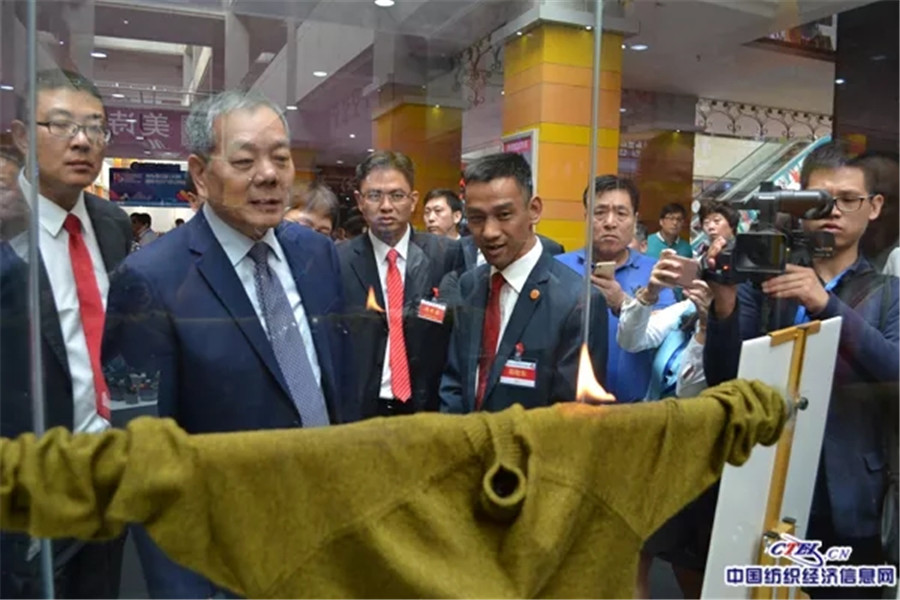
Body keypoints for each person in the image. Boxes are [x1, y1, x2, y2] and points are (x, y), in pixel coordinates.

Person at [103, 90, 352, 598]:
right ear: (200, 174)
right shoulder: (148, 280)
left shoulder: (318, 255)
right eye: (244, 161)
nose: (269, 175)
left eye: (281, 158)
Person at [704, 141, 899, 600]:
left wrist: (825, 304)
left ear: (874, 207)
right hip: (763, 482)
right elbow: (726, 378)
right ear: (798, 205)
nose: (834, 212)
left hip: (850, 493)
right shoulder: (765, 282)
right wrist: (725, 303)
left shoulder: (888, 292)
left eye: (848, 199)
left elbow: (894, 371)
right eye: (820, 200)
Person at [0, 68, 131, 599]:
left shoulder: (112, 223)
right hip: (32, 481)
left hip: (110, 474)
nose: (82, 141)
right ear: (21, 137)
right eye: (61, 125)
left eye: (95, 127)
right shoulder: (6, 227)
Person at [440, 152, 607, 414]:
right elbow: (454, 381)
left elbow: (573, 416)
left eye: (504, 215)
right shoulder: (470, 285)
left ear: (534, 210)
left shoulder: (577, 302)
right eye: (477, 218)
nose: (489, 232)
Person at [337, 151, 463, 419]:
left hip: (426, 406)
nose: (386, 206)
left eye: (397, 195)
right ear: (360, 201)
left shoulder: (446, 255)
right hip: (362, 409)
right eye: (374, 195)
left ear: (413, 200)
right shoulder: (339, 260)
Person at [618, 249, 714, 599]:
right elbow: (630, 339)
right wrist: (650, 293)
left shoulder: (730, 320)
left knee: (689, 569)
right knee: (634, 552)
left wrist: (705, 328)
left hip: (695, 460)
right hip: (651, 450)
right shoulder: (683, 310)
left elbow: (689, 389)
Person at [556, 175, 676, 403]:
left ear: (635, 220)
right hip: (568, 408)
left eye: (621, 213)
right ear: (586, 217)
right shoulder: (558, 268)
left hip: (636, 409)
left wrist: (623, 303)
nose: (610, 222)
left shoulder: (656, 274)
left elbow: (664, 333)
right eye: (600, 212)